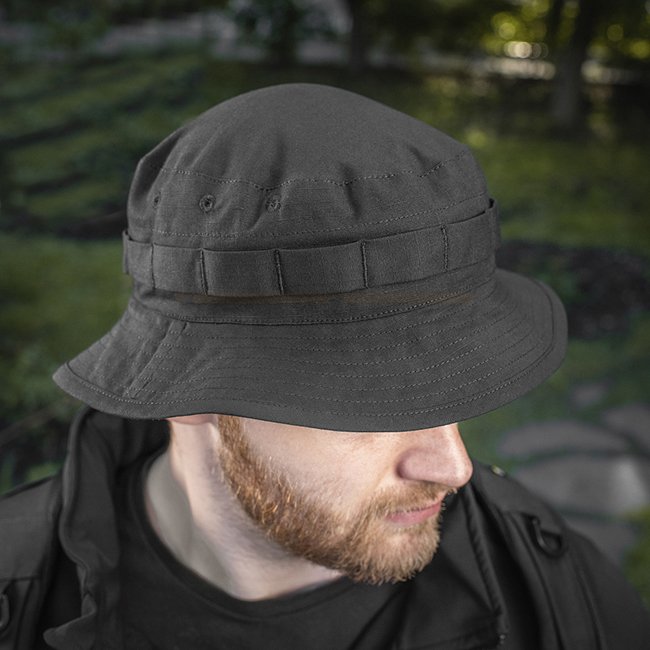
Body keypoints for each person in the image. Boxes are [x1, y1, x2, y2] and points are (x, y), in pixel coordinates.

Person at [1, 83, 648, 650]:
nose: (453, 467)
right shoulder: (19, 594)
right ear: (186, 391)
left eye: (454, 389)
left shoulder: (561, 596)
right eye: (374, 403)